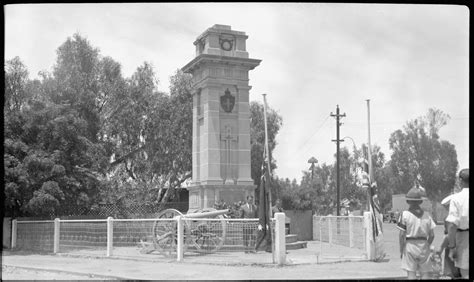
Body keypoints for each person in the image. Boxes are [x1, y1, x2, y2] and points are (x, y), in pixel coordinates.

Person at [397, 186, 436, 279]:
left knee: (411, 272)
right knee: (425, 273)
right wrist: (427, 244)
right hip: (423, 244)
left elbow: (401, 235)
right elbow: (432, 235)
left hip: (410, 245)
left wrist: (401, 249)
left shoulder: (404, 215)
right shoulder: (427, 215)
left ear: (408, 201)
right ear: (420, 202)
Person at [445, 168, 469, 279]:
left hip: (464, 238)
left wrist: (452, 246)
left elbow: (452, 225)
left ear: (460, 180)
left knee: (466, 272)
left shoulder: (456, 199)